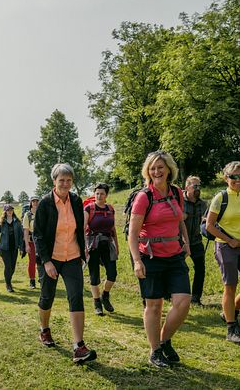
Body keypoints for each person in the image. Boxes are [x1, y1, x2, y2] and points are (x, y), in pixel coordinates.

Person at [127, 151, 191, 368]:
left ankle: (164, 341)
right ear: (148, 171)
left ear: (169, 169)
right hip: (150, 256)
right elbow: (133, 233)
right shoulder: (144, 197)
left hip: (175, 255)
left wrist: (186, 241)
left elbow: (179, 218)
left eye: (161, 167)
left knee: (183, 302)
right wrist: (137, 260)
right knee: (154, 306)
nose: (157, 172)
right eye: (153, 168)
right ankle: (155, 351)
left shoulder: (176, 192)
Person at [34, 163, 97, 364]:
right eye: (61, 180)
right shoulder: (45, 203)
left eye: (69, 180)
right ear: (54, 181)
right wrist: (46, 262)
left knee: (76, 296)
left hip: (72, 257)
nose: (65, 184)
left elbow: (80, 228)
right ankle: (44, 329)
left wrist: (82, 250)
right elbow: (38, 235)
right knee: (47, 296)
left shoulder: (76, 201)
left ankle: (79, 346)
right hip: (50, 259)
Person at [205, 161, 240, 347]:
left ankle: (229, 312)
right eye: (233, 176)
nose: (237, 180)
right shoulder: (220, 198)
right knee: (230, 287)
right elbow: (209, 226)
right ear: (225, 178)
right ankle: (231, 328)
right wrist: (229, 240)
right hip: (225, 247)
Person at [84, 183, 119, 316]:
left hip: (107, 244)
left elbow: (113, 229)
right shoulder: (89, 208)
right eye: (97, 193)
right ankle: (97, 302)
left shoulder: (110, 209)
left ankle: (105, 295)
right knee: (94, 276)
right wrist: (84, 248)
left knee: (112, 274)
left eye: (102, 193)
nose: (99, 196)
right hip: (92, 244)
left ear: (106, 195)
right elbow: (82, 229)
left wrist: (117, 246)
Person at [182, 176, 208, 306]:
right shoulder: (179, 201)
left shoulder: (202, 204)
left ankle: (196, 298)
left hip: (196, 241)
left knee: (200, 269)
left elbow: (207, 219)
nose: (198, 189)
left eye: (199, 186)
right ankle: (171, 294)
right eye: (194, 186)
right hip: (179, 242)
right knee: (178, 269)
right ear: (187, 187)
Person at [0, 204, 25, 292]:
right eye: (8, 210)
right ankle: (8, 284)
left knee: (12, 267)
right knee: (8, 266)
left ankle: (8, 279)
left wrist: (21, 248)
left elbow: (21, 236)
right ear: (5, 211)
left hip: (14, 248)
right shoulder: (1, 222)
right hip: (4, 248)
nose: (10, 211)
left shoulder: (17, 221)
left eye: (11, 210)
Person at [22, 196, 39, 289]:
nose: (35, 203)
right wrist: (27, 245)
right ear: (31, 203)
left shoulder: (42, 213)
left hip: (41, 241)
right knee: (32, 262)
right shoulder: (27, 215)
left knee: (42, 261)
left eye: (37, 201)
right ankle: (32, 280)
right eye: (33, 201)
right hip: (31, 241)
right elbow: (25, 230)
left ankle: (41, 279)